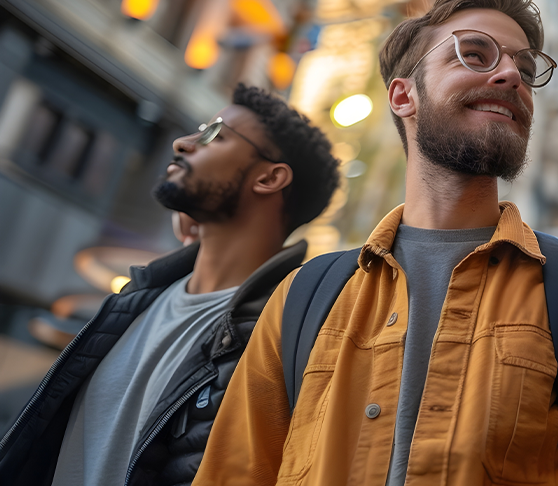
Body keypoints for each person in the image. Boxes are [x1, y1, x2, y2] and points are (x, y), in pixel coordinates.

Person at [194, 0, 558, 486]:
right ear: (404, 95)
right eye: (474, 54)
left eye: (525, 69)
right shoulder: (303, 297)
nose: (512, 74)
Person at [0, 84, 340, 485]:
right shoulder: (135, 299)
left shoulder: (283, 336)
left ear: (268, 177)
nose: (182, 143)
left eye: (215, 135)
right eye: (198, 130)